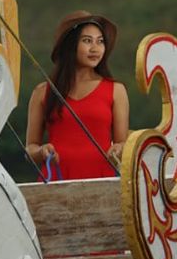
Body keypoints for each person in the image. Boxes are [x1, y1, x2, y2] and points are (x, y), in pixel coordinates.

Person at [26, 10, 129, 180]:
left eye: (100, 41)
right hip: (56, 180)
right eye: (87, 41)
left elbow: (123, 143)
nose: (95, 48)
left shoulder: (116, 90)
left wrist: (118, 149)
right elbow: (30, 148)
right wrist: (41, 152)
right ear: (70, 45)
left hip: (102, 180)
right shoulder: (42, 92)